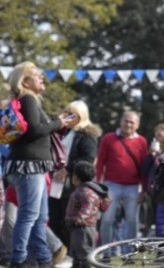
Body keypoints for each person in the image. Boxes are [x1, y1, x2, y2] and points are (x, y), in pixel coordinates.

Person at [4, 61, 73, 268]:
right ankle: (19, 260)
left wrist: (56, 121)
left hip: (33, 166)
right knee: (29, 215)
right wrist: (58, 123)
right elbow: (35, 130)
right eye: (36, 74)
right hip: (29, 166)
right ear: (25, 80)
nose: (42, 77)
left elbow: (38, 126)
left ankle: (43, 259)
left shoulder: (30, 100)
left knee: (40, 217)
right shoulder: (28, 99)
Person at [48, 100, 101, 250]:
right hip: (56, 183)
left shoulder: (87, 134)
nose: (68, 117)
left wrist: (68, 169)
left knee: (69, 221)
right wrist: (60, 118)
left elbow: (88, 159)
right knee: (54, 220)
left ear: (81, 116)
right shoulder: (62, 131)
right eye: (66, 112)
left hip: (73, 185)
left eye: (72, 114)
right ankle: (60, 252)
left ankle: (73, 255)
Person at [96, 111, 147, 252]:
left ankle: (128, 252)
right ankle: (106, 252)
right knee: (107, 219)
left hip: (133, 186)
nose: (128, 124)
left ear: (137, 125)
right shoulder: (108, 138)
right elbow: (100, 162)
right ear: (121, 121)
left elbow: (143, 167)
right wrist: (98, 186)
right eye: (126, 121)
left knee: (132, 221)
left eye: (132, 122)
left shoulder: (142, 141)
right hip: (112, 185)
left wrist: (143, 189)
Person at [64, 161, 111, 268]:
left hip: (83, 228)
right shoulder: (82, 190)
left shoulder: (86, 192)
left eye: (73, 174)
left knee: (85, 254)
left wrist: (77, 219)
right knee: (76, 253)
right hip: (77, 227)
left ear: (77, 177)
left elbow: (87, 209)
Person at [142, 123, 164, 237]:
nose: (157, 133)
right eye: (156, 131)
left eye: (161, 131)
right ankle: (162, 249)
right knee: (160, 225)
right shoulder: (158, 153)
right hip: (158, 193)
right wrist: (151, 154)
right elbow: (144, 170)